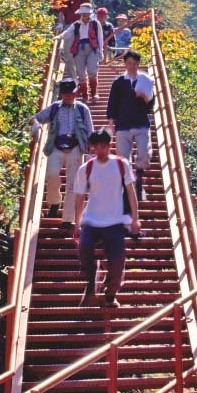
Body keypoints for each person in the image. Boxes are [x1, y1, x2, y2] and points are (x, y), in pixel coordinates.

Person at [72, 130, 140, 308]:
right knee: (84, 250)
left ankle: (110, 294)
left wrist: (135, 219)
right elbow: (79, 198)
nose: (100, 150)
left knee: (117, 261)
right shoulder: (86, 168)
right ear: (92, 148)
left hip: (115, 221)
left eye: (104, 146)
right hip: (91, 220)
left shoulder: (121, 164)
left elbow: (131, 192)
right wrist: (77, 223)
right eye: (96, 147)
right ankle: (90, 285)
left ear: (110, 145)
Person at [31, 79, 94, 228]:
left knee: (73, 184)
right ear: (61, 94)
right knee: (52, 175)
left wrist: (91, 149)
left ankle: (67, 219)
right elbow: (36, 118)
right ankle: (54, 201)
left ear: (75, 93)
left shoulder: (82, 109)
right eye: (65, 94)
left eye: (70, 94)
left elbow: (90, 130)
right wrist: (35, 125)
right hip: (56, 146)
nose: (68, 97)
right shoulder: (54, 108)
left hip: (75, 147)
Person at [106, 49, 154, 200]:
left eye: (135, 63)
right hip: (123, 124)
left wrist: (145, 97)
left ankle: (139, 180)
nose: (132, 66)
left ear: (138, 64)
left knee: (144, 155)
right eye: (129, 63)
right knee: (123, 158)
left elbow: (150, 107)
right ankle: (128, 188)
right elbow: (112, 103)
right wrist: (111, 122)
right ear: (125, 64)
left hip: (141, 123)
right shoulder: (119, 82)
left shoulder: (145, 80)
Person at [61, 2, 104, 102]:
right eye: (83, 14)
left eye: (86, 14)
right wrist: (59, 37)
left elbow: (100, 38)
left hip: (92, 48)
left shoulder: (95, 24)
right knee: (80, 72)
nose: (84, 16)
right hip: (79, 48)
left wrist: (100, 51)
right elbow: (67, 33)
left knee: (92, 70)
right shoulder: (76, 24)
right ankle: (85, 95)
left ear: (89, 14)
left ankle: (94, 93)